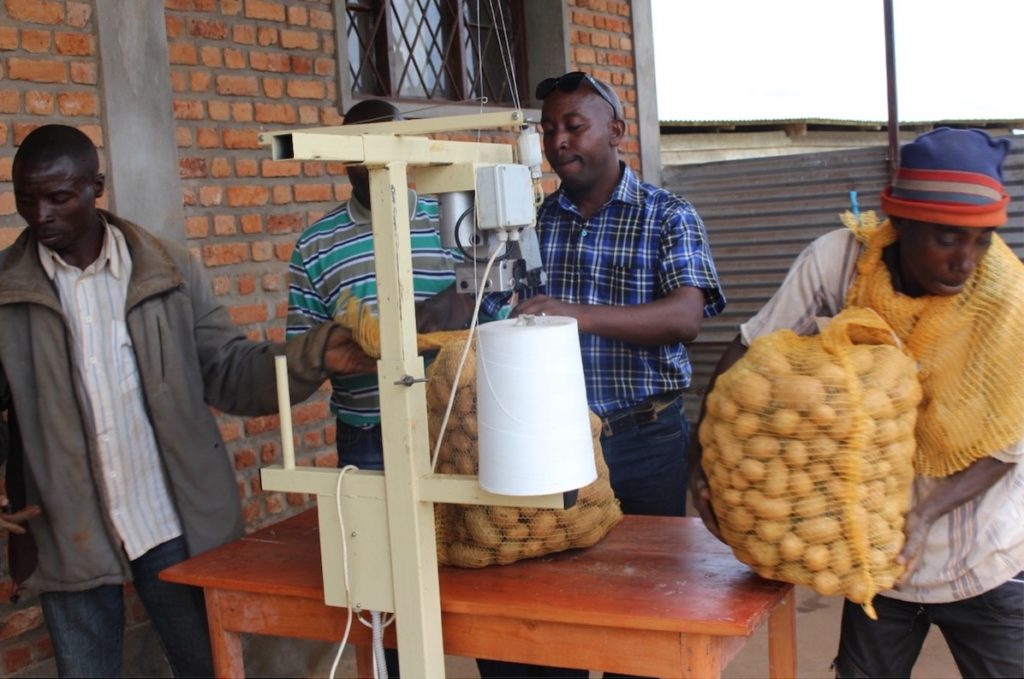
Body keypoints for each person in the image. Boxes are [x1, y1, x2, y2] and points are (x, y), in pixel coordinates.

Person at [0, 124, 375, 678]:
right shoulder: (8, 293)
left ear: (95, 187)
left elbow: (228, 372)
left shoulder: (165, 270)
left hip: (170, 523)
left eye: (58, 197)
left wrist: (315, 354)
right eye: (26, 199)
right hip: (67, 532)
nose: (41, 214)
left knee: (210, 667)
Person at [690, 127, 1024, 678]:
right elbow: (751, 347)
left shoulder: (1002, 298)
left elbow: (1010, 440)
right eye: (947, 238)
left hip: (982, 553)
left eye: (981, 240)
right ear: (901, 224)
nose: (967, 260)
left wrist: (922, 515)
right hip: (869, 551)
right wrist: (699, 461)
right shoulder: (842, 261)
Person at [478, 71, 725, 678]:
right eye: (549, 129)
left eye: (573, 126)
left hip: (643, 440)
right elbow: (495, 307)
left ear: (615, 130)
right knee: (551, 606)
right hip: (554, 445)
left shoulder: (667, 215)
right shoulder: (533, 222)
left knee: (643, 607)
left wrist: (576, 316)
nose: (559, 141)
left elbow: (685, 317)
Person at [287, 98, 472, 473]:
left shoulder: (452, 222)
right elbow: (301, 349)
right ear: (344, 157)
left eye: (389, 141)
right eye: (362, 146)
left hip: (459, 421)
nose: (377, 158)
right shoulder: (316, 244)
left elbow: (493, 307)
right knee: (375, 530)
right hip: (367, 431)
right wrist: (350, 344)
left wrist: (442, 311)